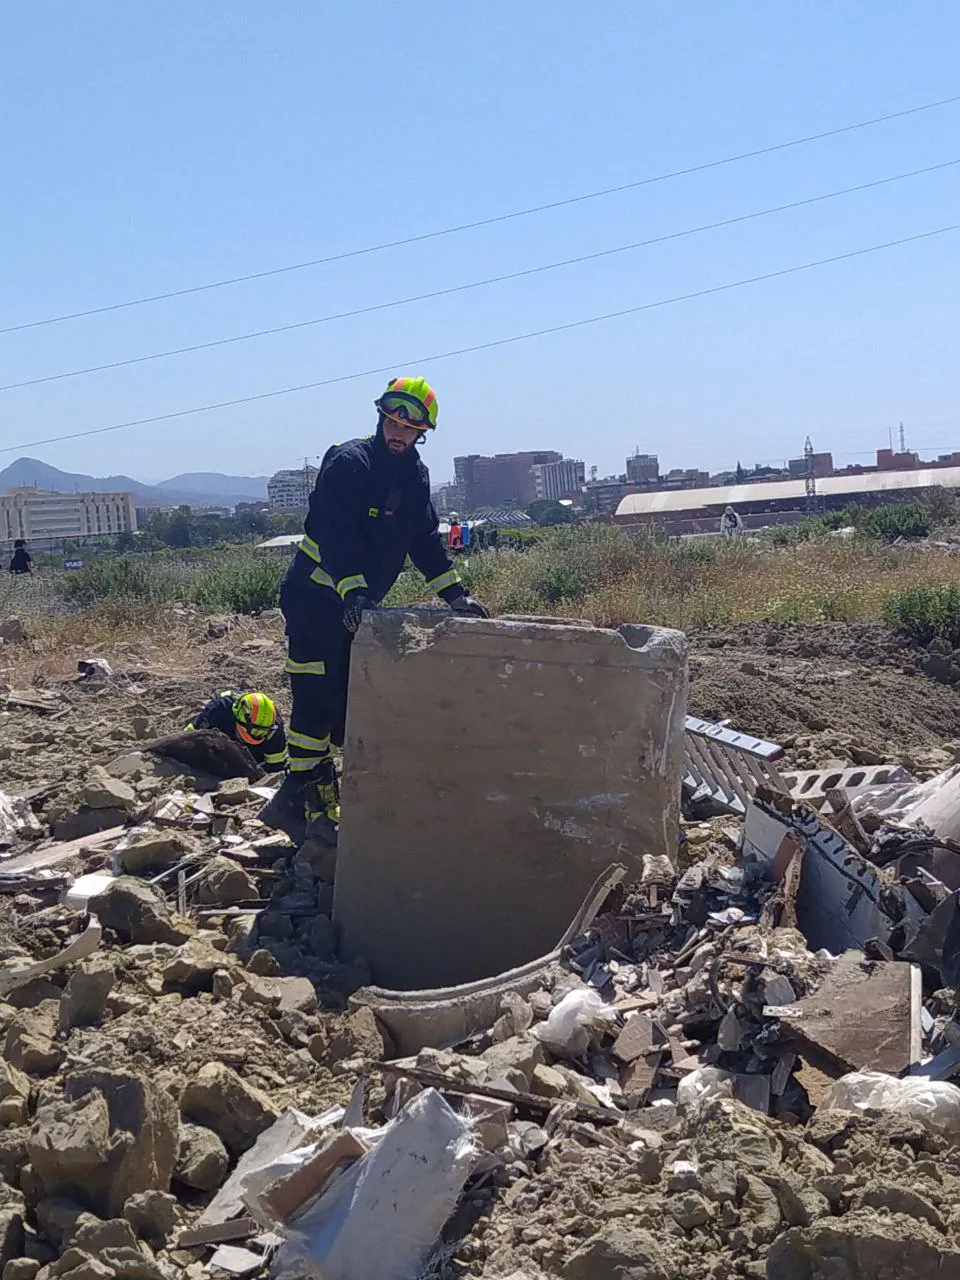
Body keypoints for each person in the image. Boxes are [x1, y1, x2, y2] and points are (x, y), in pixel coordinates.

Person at [261, 375, 489, 846]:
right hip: (314, 599)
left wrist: (456, 596)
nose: (400, 432)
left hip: (353, 606)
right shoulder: (349, 464)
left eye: (410, 427)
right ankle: (296, 801)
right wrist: (352, 591)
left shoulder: (415, 476)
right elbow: (332, 533)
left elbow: (424, 540)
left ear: (421, 432)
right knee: (316, 700)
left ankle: (319, 793)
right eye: (393, 420)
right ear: (381, 418)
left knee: (346, 705)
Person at [186, 690, 288, 772]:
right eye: (254, 731)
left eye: (261, 733)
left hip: (253, 759)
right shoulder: (220, 707)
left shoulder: (274, 727)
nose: (257, 735)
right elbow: (191, 737)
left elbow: (276, 767)